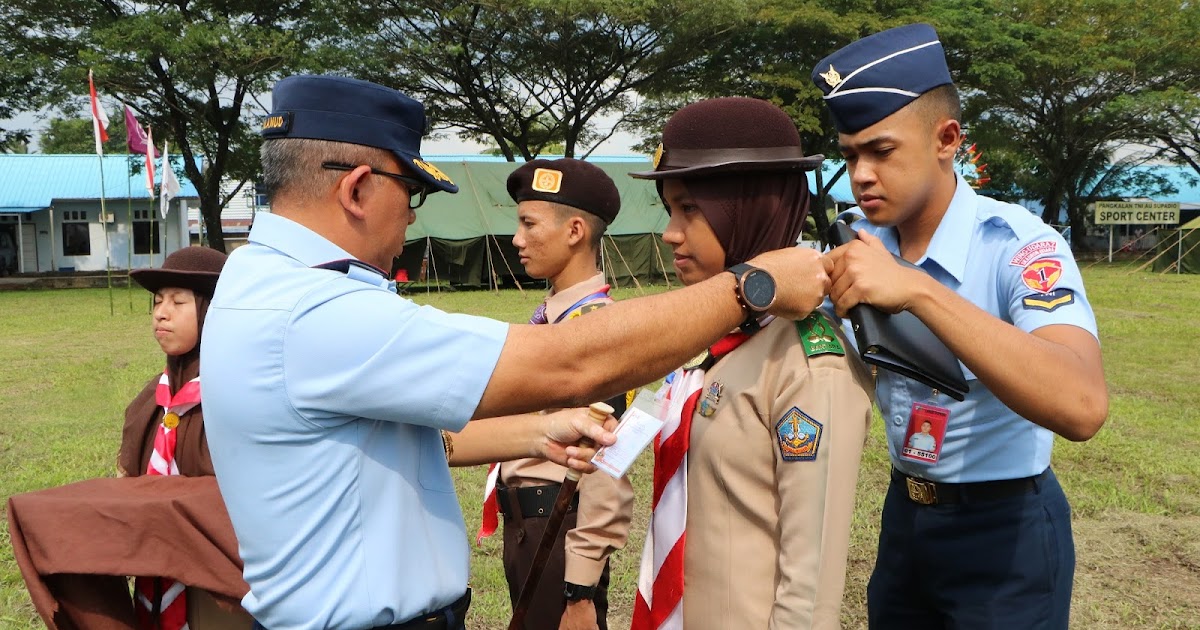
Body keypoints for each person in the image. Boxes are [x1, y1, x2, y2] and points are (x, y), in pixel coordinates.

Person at [200, 74, 831, 630]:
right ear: (359, 189)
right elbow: (570, 362)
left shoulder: (263, 283)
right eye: (411, 195)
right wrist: (754, 285)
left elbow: (411, 439)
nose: (413, 221)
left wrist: (536, 433)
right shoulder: (315, 311)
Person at [813, 24, 1108, 629]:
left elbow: (1081, 404)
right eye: (849, 156)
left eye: (881, 150)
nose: (861, 174)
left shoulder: (1017, 244)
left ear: (947, 139)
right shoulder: (854, 240)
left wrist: (917, 289)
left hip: (1005, 533)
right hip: (905, 518)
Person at [627, 97, 874, 630]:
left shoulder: (807, 363)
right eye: (670, 209)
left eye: (690, 208)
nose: (671, 232)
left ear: (749, 207)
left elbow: (812, 588)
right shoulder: (717, 338)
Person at [7, 246, 254, 630]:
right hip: (153, 574)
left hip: (220, 588)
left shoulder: (240, 399)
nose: (161, 312)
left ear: (213, 310)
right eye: (157, 301)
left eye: (177, 301)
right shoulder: (149, 401)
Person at [474, 158, 635, 630]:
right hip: (527, 526)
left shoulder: (596, 330)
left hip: (558, 529)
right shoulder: (551, 318)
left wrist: (580, 588)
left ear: (575, 231)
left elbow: (607, 459)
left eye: (529, 224)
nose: (517, 239)